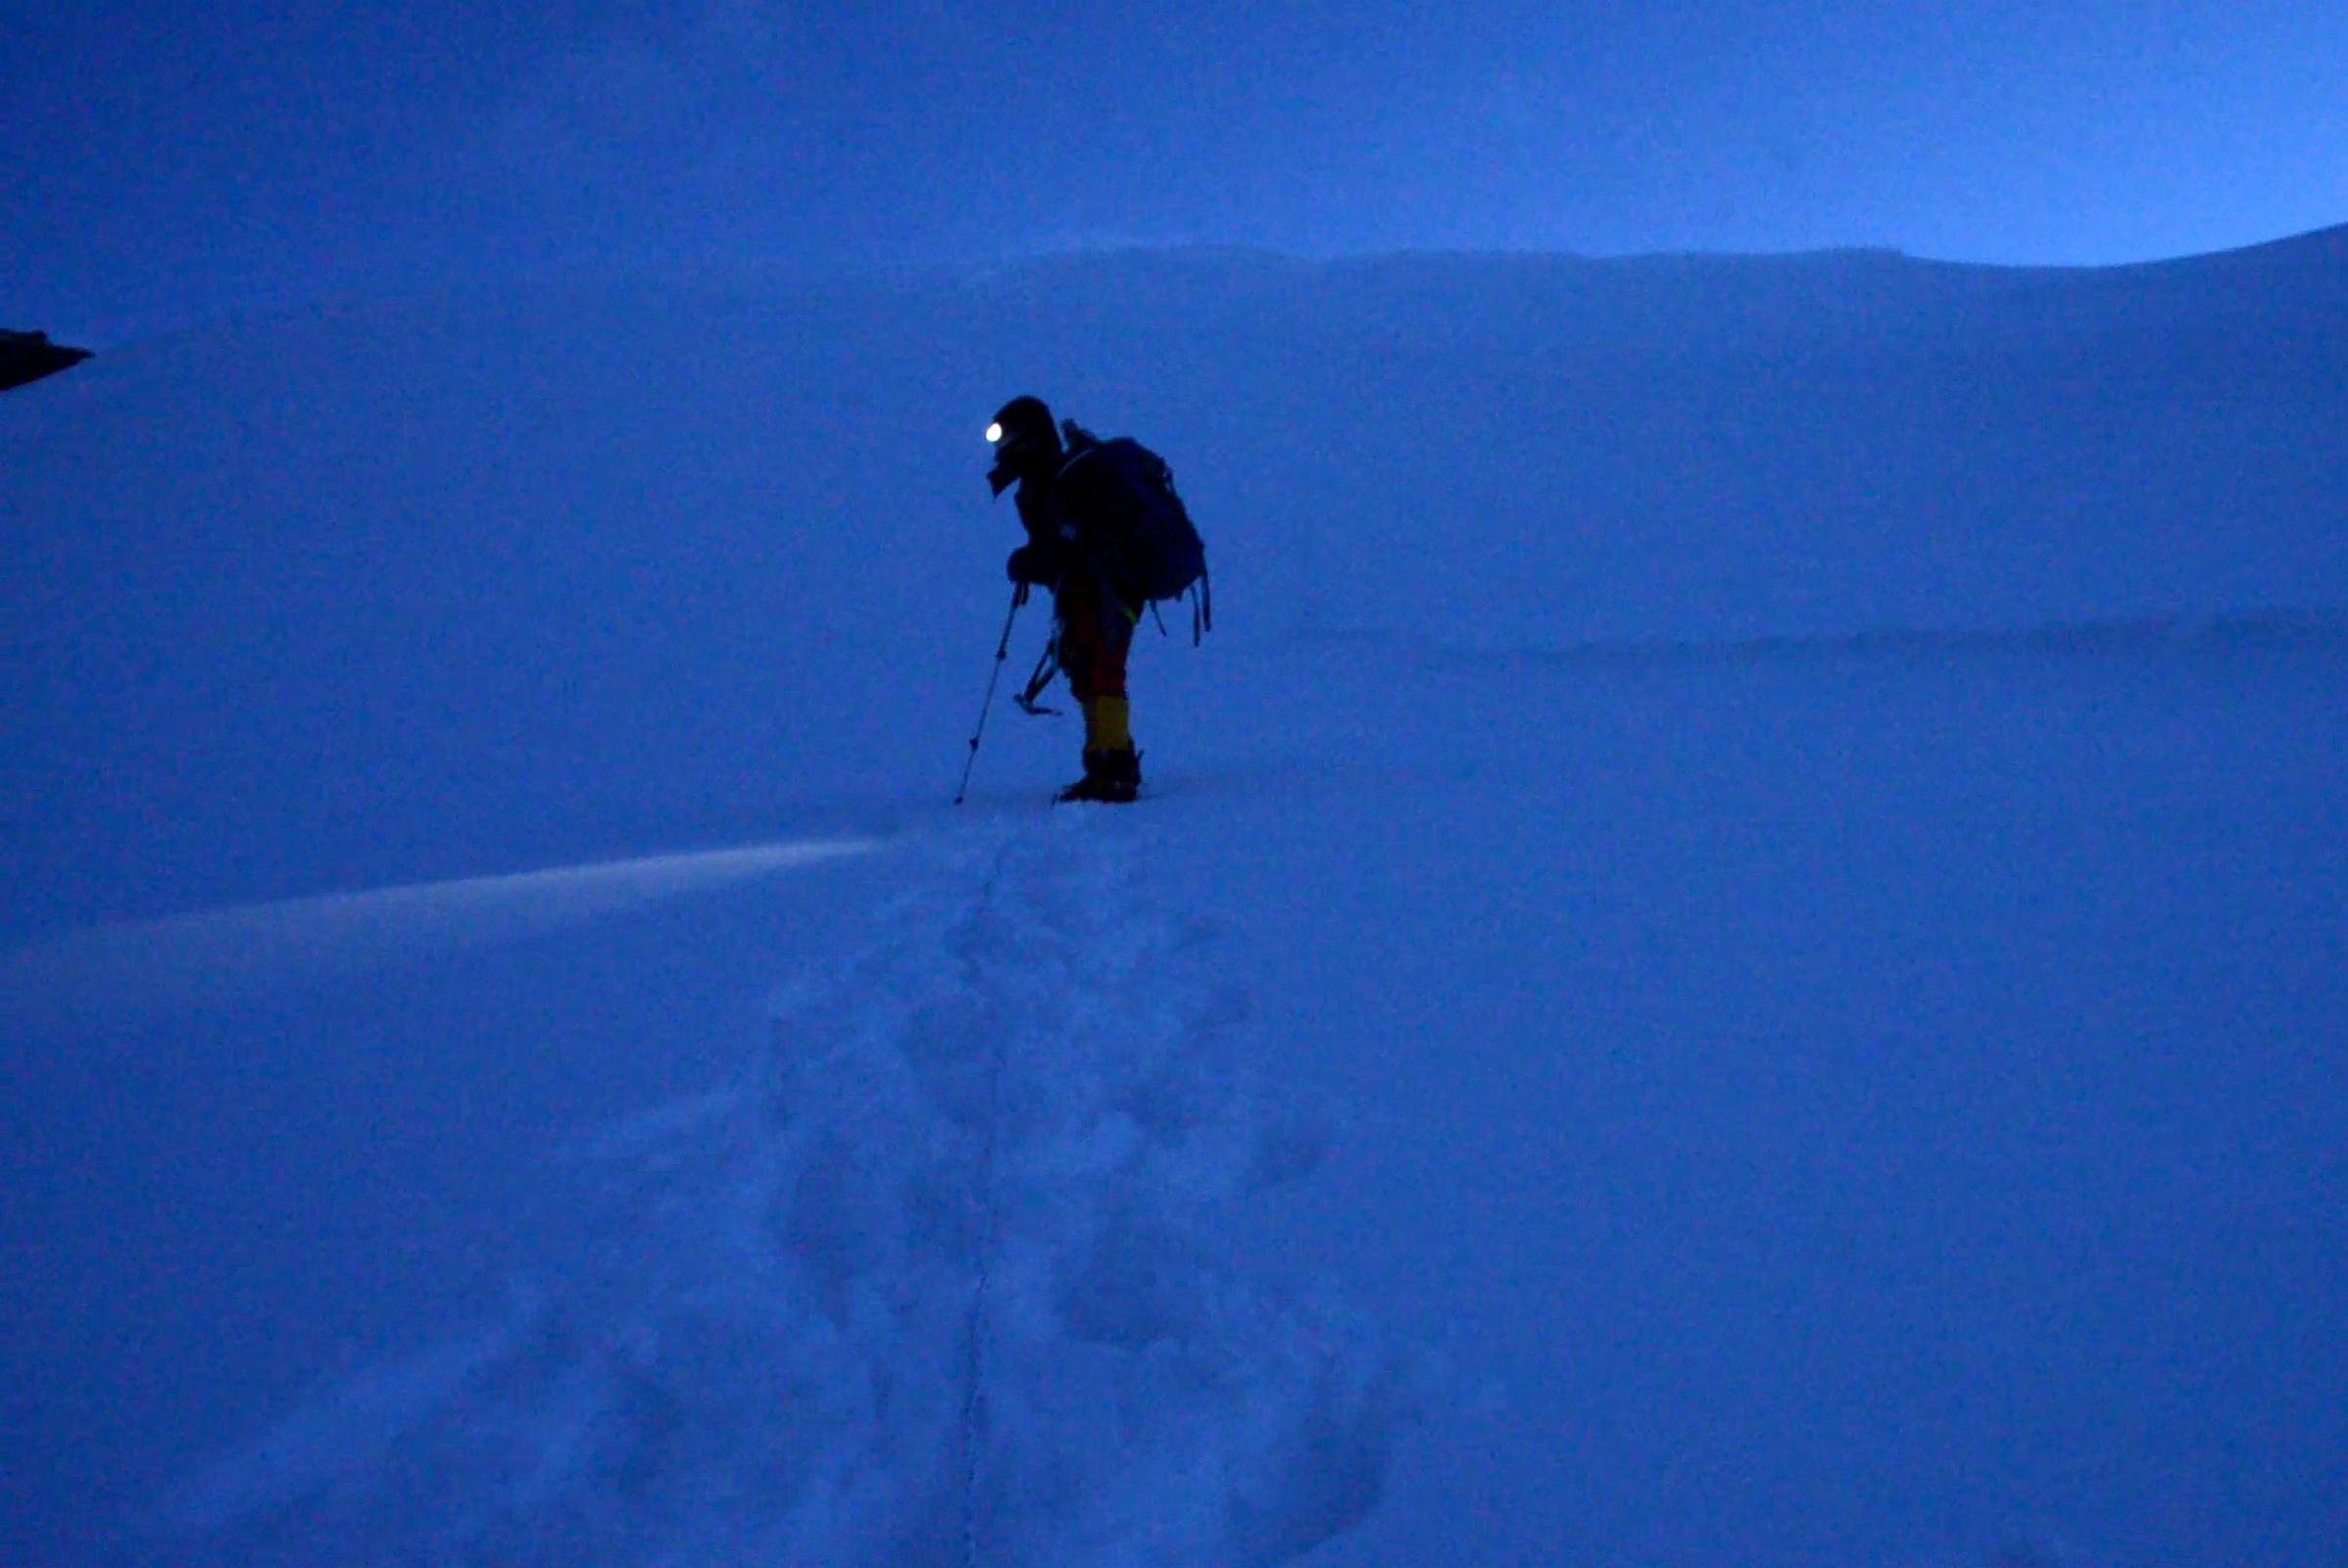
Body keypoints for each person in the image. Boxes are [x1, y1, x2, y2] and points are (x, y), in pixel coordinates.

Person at [987, 395, 1145, 804]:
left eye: (1006, 438)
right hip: (1094, 589)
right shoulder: (1048, 478)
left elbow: (1072, 544)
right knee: (1088, 670)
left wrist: (1031, 561)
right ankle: (1107, 762)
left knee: (1100, 671)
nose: (1001, 449)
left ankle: (1113, 768)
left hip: (1104, 589)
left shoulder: (1060, 478)